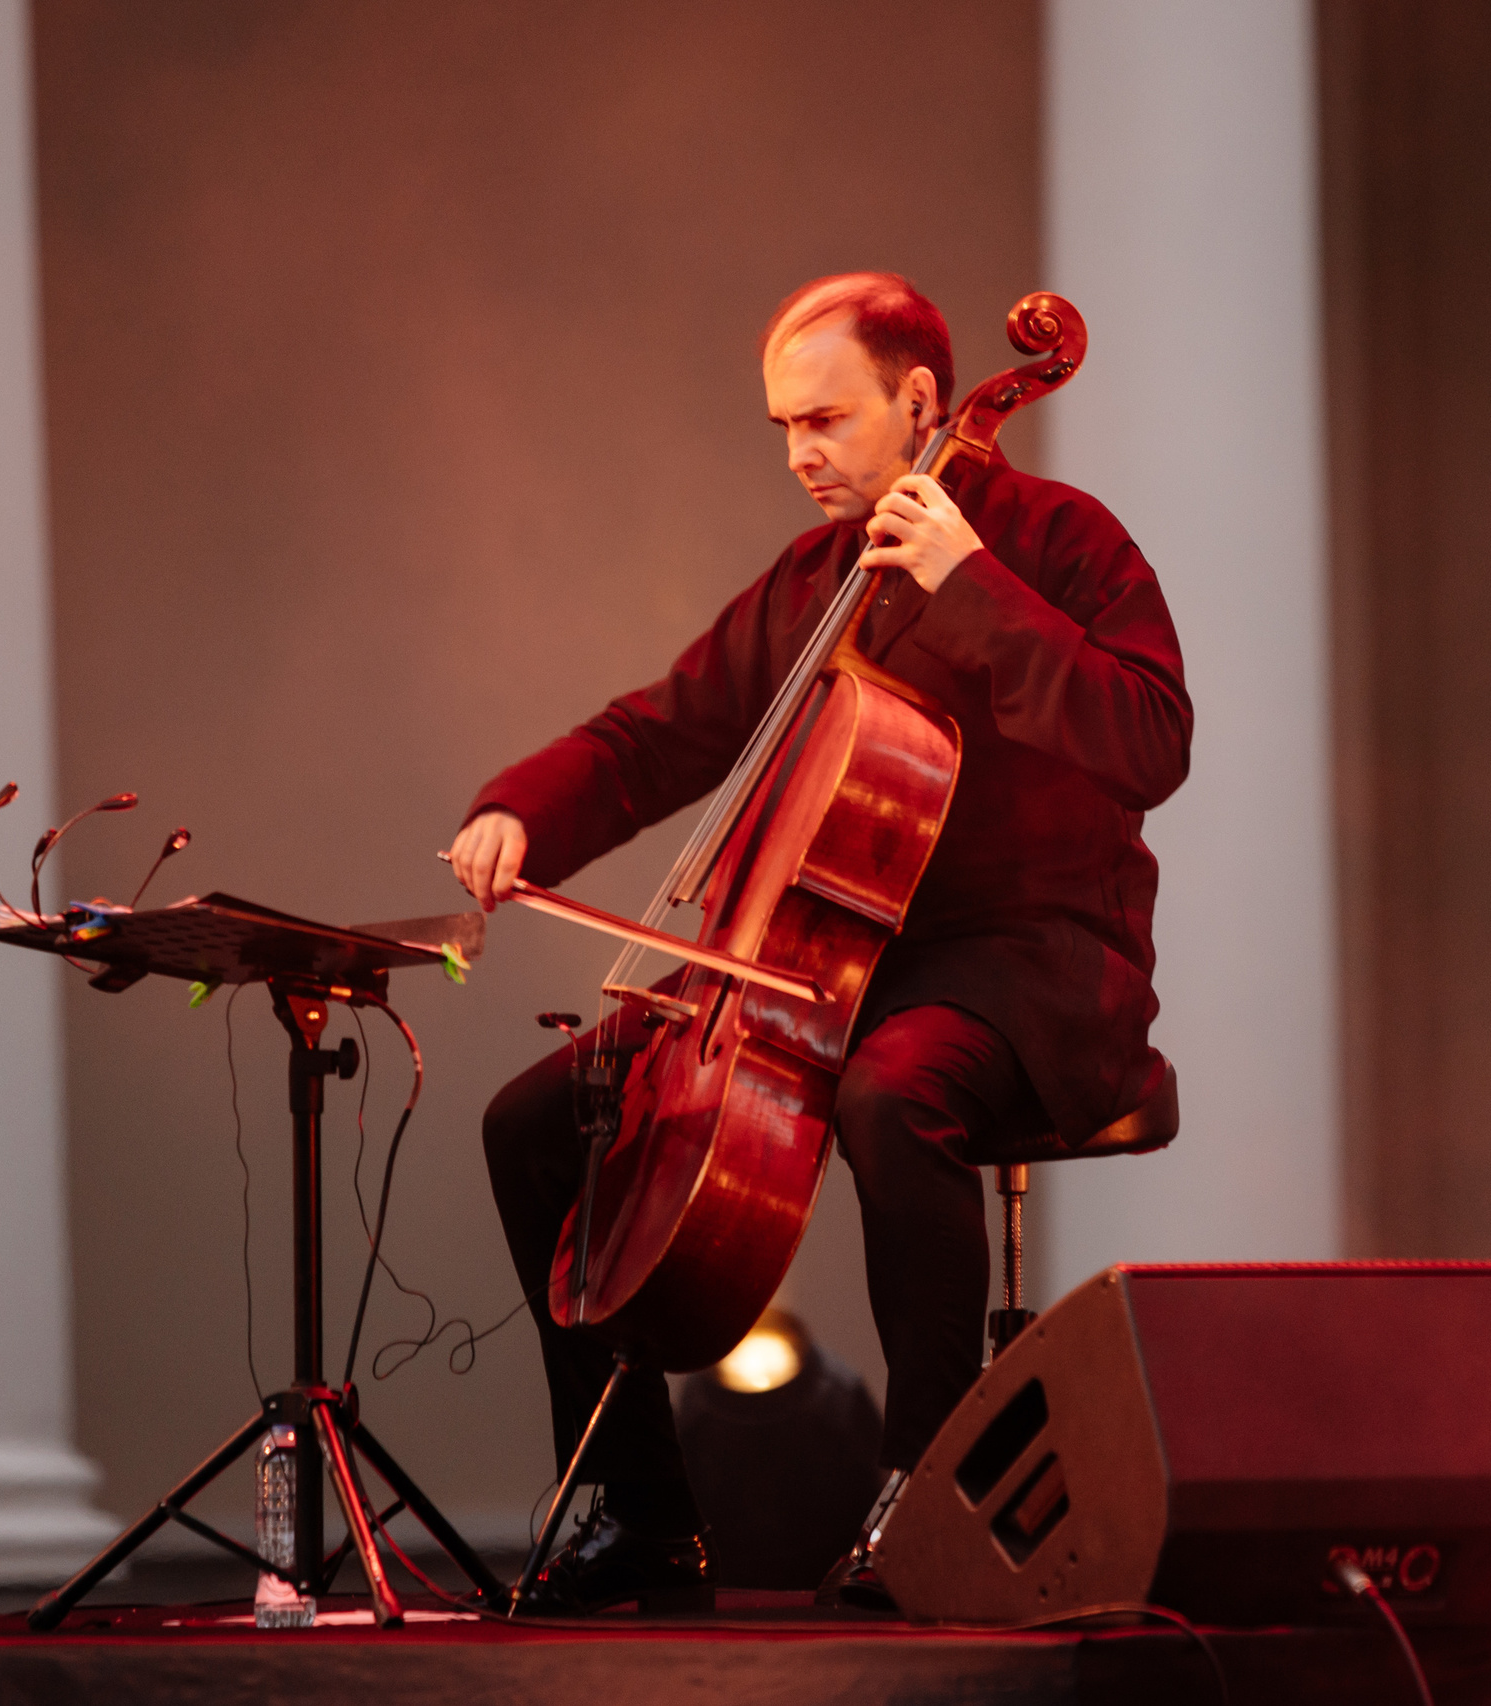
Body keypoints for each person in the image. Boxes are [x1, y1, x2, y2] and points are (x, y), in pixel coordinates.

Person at [448, 272, 1190, 1614]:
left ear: (920, 402)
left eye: (827, 420)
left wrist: (973, 588)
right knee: (535, 1122)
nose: (800, 453)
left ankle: (926, 1498)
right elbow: (657, 736)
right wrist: (519, 811)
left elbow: (1151, 738)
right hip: (840, 961)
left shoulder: (1059, 542)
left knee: (894, 1091)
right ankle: (645, 1515)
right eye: (783, 425)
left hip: (1031, 962)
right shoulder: (814, 580)